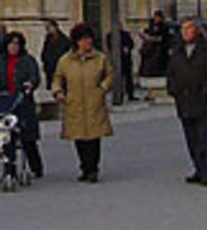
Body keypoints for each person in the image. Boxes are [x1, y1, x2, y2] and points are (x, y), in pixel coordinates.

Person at [166, 18, 207, 186]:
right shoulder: (177, 51)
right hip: (184, 101)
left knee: (205, 139)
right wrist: (173, 89)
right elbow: (171, 72)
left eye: (189, 29)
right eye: (183, 29)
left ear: (197, 31)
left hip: (204, 101)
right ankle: (198, 168)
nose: (185, 32)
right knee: (191, 139)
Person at [52, 22, 114, 183]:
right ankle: (84, 168)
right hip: (74, 103)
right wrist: (58, 91)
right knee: (79, 138)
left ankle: (93, 169)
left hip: (94, 102)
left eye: (89, 39)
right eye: (84, 39)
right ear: (77, 42)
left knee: (94, 138)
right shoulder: (65, 61)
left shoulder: (100, 58)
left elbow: (110, 75)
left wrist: (102, 88)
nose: (88, 42)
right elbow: (58, 78)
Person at [0, 30, 44, 177]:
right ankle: (10, 168)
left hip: (23, 101)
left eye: (16, 44)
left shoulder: (27, 60)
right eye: (11, 44)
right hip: (6, 102)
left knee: (27, 138)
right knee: (8, 138)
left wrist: (30, 84)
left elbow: (34, 76)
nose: (13, 47)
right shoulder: (0, 61)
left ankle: (36, 166)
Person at [107, 22, 136, 101]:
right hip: (116, 60)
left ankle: (130, 94)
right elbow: (110, 47)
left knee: (128, 77)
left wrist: (128, 48)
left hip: (126, 59)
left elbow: (132, 44)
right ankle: (119, 94)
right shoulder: (110, 35)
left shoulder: (126, 34)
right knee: (118, 78)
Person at [139, 10, 172, 78]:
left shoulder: (164, 27)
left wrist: (151, 38)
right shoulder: (151, 25)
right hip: (150, 48)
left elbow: (162, 38)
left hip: (159, 48)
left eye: (157, 17)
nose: (156, 19)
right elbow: (145, 32)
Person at [40, 19, 69, 89]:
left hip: (60, 68)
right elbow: (44, 52)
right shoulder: (48, 39)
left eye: (50, 27)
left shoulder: (64, 40)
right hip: (50, 68)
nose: (48, 29)